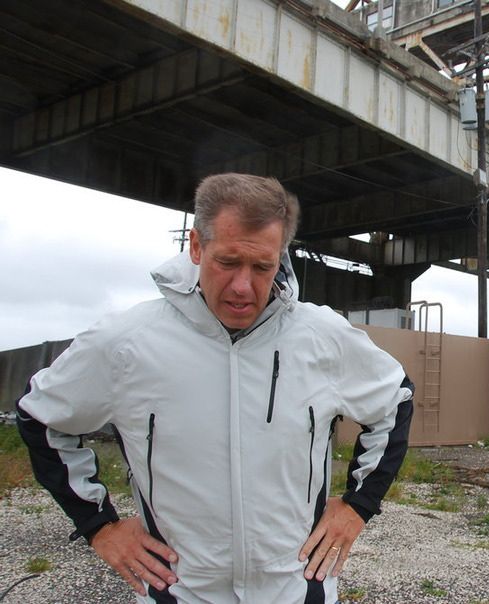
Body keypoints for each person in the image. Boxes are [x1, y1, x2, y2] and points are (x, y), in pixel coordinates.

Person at [16, 173, 414, 603]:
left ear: (281, 257)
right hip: (180, 593)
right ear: (196, 245)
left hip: (294, 590)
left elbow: (394, 401)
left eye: (263, 267)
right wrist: (100, 526)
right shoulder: (127, 342)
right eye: (227, 262)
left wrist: (358, 506)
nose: (243, 287)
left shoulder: (321, 336)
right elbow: (42, 418)